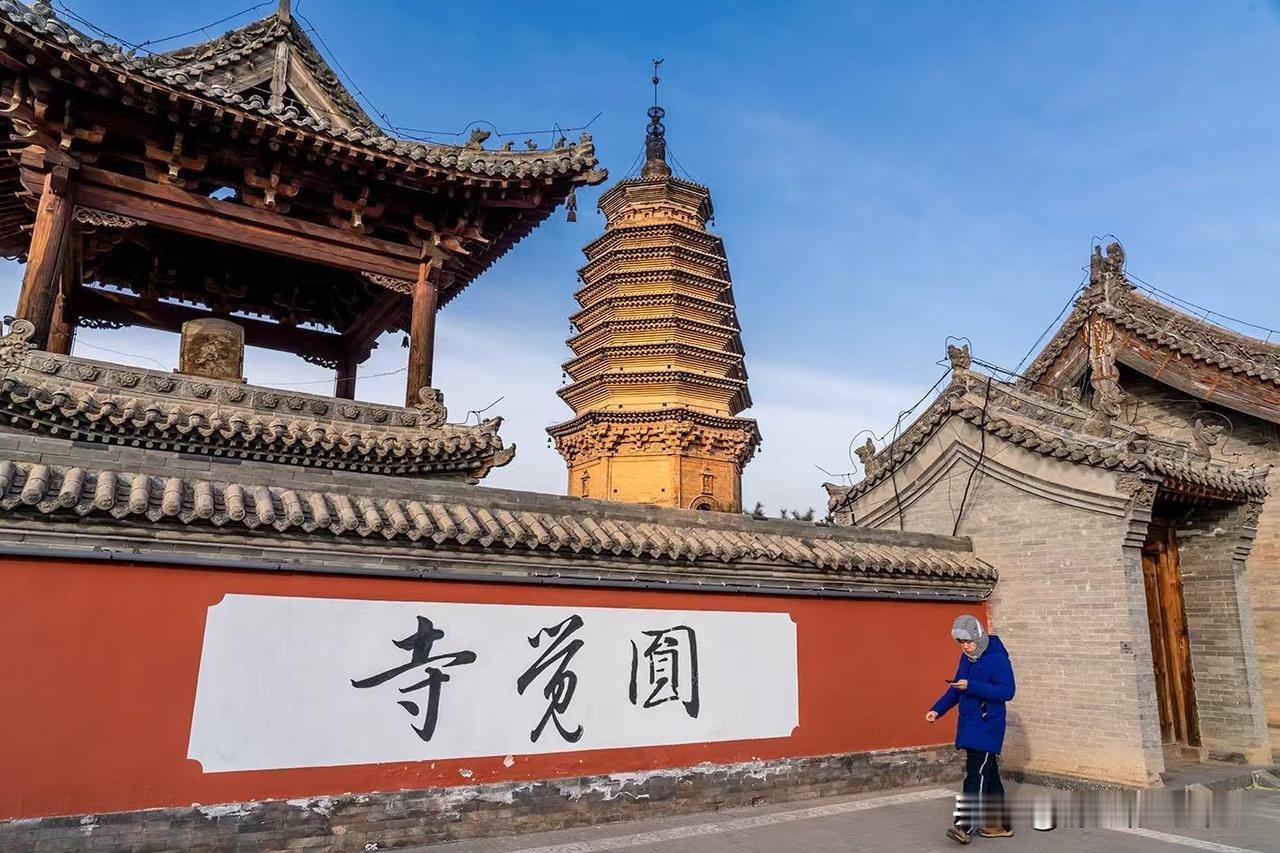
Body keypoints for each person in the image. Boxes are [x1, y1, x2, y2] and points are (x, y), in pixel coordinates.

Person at [925, 614, 1016, 845]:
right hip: (970, 724)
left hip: (987, 726)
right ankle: (1000, 824)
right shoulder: (966, 658)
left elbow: (1007, 691)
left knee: (975, 776)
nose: (965, 646)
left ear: (979, 636)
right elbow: (957, 689)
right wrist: (937, 710)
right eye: (961, 642)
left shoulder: (997, 658)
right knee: (989, 776)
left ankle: (964, 826)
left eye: (968, 641)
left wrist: (971, 685)